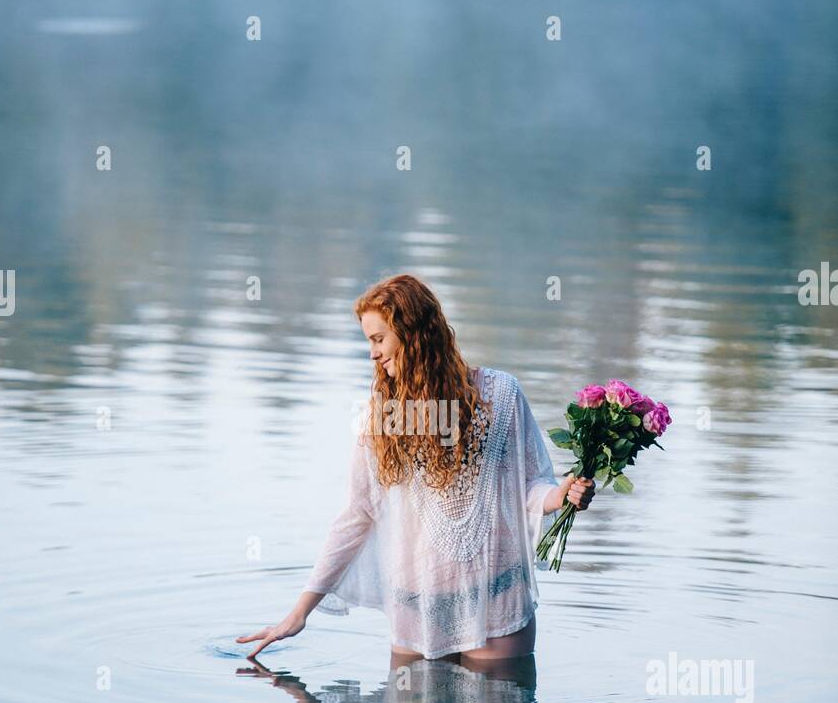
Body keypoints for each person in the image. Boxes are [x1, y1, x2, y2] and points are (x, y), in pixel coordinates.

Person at [236, 274, 595, 668]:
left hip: (496, 608)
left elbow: (531, 485)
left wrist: (561, 494)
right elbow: (356, 517)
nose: (372, 354)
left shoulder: (501, 395)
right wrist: (299, 611)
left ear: (413, 333)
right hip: (416, 616)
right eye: (368, 342)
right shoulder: (384, 418)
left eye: (378, 339)